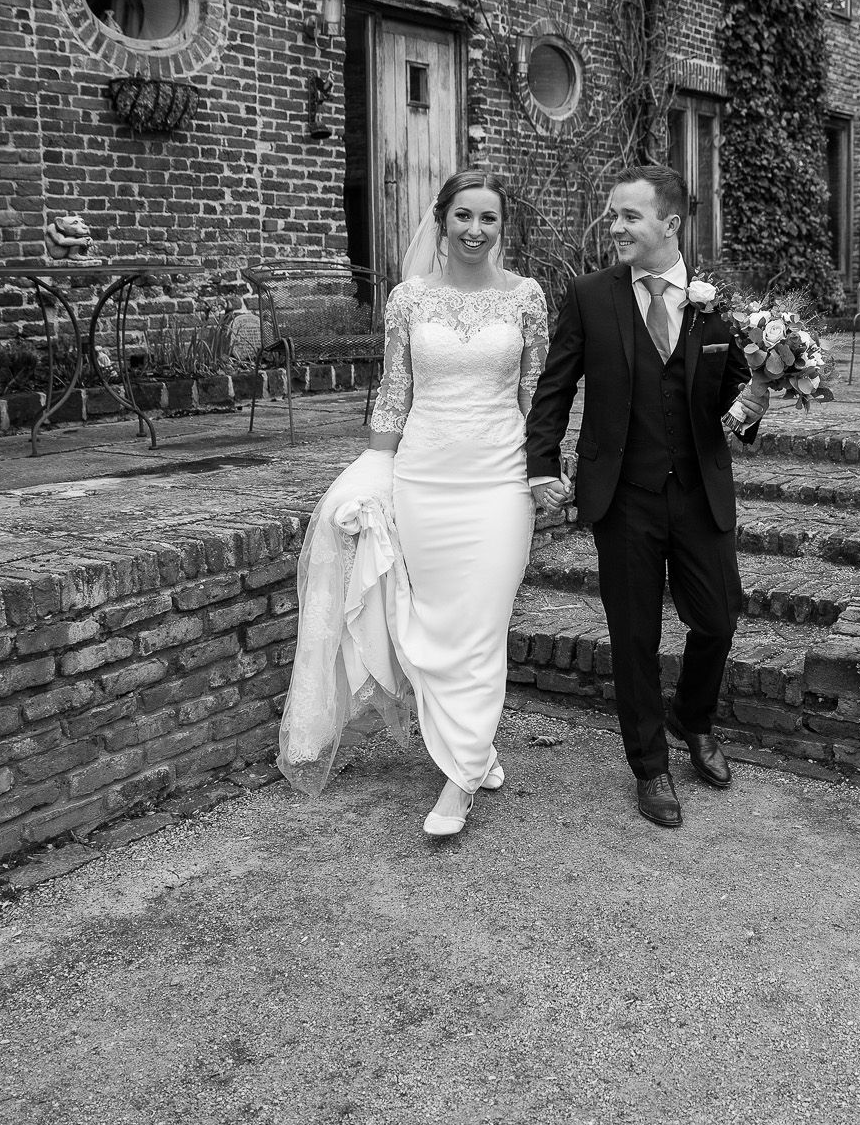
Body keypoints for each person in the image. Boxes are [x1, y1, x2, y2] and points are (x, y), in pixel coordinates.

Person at [278, 169, 548, 837]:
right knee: (432, 628)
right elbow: (395, 390)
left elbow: (535, 394)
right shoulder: (408, 299)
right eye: (463, 215)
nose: (475, 230)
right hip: (424, 480)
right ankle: (473, 747)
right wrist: (374, 468)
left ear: (502, 226)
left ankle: (460, 780)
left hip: (500, 481)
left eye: (488, 217)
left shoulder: (526, 297)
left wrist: (547, 468)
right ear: (442, 219)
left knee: (481, 626)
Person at [525, 162, 770, 828]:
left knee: (718, 618)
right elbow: (555, 385)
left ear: (670, 222)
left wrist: (754, 402)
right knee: (632, 635)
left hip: (698, 488)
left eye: (629, 216)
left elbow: (737, 389)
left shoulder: (719, 304)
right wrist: (540, 462)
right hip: (624, 494)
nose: (615, 227)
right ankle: (649, 765)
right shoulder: (589, 294)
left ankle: (693, 716)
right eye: (613, 215)